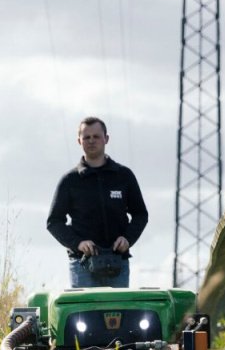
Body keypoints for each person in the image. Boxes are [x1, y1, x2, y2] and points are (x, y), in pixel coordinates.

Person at [45, 116, 148, 288]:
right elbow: (54, 222)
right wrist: (78, 244)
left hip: (118, 263)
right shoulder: (70, 180)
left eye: (96, 136)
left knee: (118, 314)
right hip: (83, 265)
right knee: (83, 315)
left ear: (106, 139)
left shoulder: (124, 176)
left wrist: (128, 239)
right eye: (86, 137)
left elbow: (140, 214)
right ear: (79, 141)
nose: (91, 141)